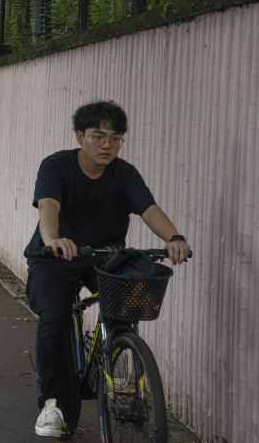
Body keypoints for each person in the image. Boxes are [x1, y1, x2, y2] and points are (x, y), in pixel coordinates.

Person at [24, 100, 190, 439]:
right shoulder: (57, 166)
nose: (107, 145)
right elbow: (48, 204)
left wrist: (174, 236)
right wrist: (54, 239)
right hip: (56, 256)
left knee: (127, 305)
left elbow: (148, 208)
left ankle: (116, 351)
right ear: (79, 136)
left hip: (105, 256)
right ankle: (54, 404)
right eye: (99, 137)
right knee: (55, 318)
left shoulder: (123, 173)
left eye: (115, 139)